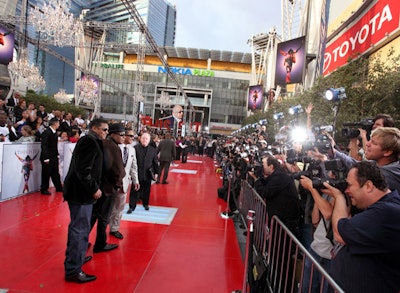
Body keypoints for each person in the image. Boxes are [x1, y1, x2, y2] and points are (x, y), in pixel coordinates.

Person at [322, 161, 400, 293]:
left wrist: (339, 197)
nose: (347, 190)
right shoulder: (380, 207)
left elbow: (339, 233)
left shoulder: (386, 212)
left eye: (350, 185)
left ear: (368, 186)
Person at [63, 118, 109, 284]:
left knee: (80, 230)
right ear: (95, 128)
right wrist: (94, 188)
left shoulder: (91, 141)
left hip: (81, 194)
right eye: (104, 129)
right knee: (80, 232)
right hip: (81, 195)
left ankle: (75, 261)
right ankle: (74, 270)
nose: (106, 133)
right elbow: (83, 170)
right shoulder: (89, 142)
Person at [90, 123, 125, 253]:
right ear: (112, 134)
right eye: (121, 135)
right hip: (109, 187)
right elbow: (116, 169)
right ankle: (100, 244)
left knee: (94, 215)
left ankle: (83, 242)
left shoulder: (102, 144)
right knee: (104, 216)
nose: (123, 137)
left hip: (100, 186)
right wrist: (118, 183)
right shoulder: (113, 147)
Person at [299, 176, 335, 293]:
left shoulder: (342, 196)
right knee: (306, 288)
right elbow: (315, 221)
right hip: (315, 249)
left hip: (330, 256)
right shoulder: (325, 195)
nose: (330, 176)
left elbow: (328, 213)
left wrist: (312, 188)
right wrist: (316, 194)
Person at [109, 128, 140, 239]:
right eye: (130, 136)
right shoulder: (115, 148)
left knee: (120, 207)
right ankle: (103, 227)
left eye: (133, 136)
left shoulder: (132, 150)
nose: (133, 138)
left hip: (124, 183)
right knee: (108, 207)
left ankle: (114, 228)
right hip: (111, 183)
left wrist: (135, 180)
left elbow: (133, 166)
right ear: (124, 136)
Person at [128, 132, 159, 213]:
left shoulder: (153, 150)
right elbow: (130, 162)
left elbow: (155, 162)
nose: (145, 140)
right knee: (134, 190)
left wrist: (156, 173)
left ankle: (146, 204)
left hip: (148, 174)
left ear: (149, 140)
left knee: (147, 190)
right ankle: (132, 206)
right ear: (140, 139)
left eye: (146, 139)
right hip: (136, 174)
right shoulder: (135, 148)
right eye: (143, 138)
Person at [40, 117, 63, 195]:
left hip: (54, 156)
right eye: (58, 123)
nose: (59, 125)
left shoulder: (54, 132)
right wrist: (46, 157)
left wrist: (57, 155)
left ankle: (59, 187)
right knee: (46, 173)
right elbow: (44, 145)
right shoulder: (47, 132)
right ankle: (44, 189)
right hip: (47, 157)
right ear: (55, 123)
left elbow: (54, 145)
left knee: (55, 173)